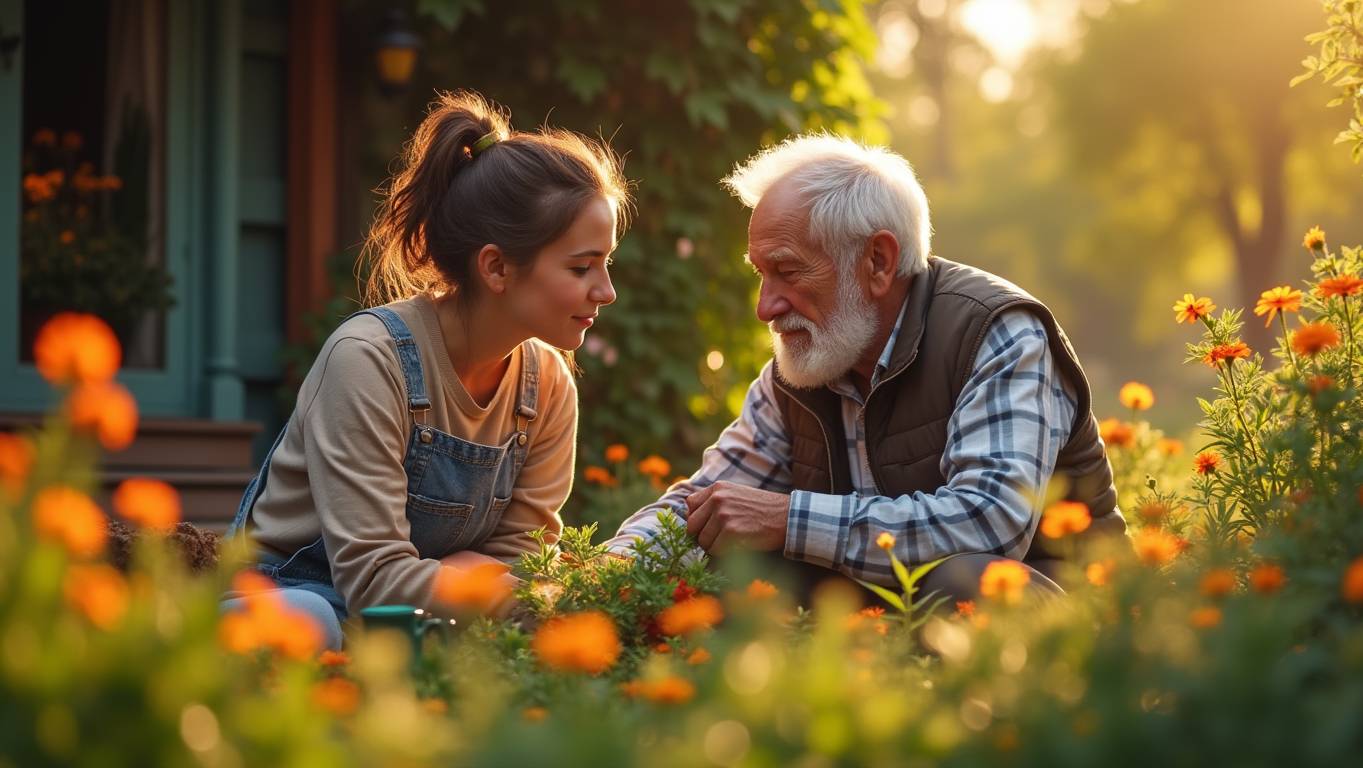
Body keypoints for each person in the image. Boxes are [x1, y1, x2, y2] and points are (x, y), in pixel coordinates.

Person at [608, 134, 1124, 602]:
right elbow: (706, 505)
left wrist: (788, 520)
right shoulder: (804, 367)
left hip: (1060, 624)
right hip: (877, 618)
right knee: (726, 571)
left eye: (787, 271)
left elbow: (988, 521)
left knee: (965, 583)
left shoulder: (995, 331)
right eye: (761, 275)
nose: (765, 307)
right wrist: (596, 577)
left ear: (877, 261)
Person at [223, 91, 630, 649]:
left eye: (606, 263)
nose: (606, 291)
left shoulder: (547, 388)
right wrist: (494, 583)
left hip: (424, 620)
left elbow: (521, 561)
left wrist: (502, 585)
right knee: (309, 621)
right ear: (497, 267)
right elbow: (372, 579)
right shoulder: (369, 360)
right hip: (290, 598)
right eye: (582, 267)